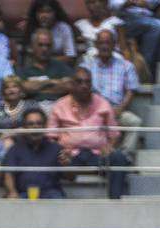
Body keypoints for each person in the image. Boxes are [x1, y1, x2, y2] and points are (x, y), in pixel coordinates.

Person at [48, 66, 128, 199]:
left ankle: (115, 201)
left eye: (87, 82)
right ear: (72, 84)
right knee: (49, 159)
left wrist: (109, 146)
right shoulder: (59, 105)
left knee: (119, 158)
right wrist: (60, 153)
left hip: (97, 154)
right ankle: (55, 198)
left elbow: (114, 134)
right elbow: (50, 137)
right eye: (79, 82)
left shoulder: (103, 104)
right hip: (70, 155)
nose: (84, 86)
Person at [82, 28, 140, 154]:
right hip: (92, 111)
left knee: (135, 122)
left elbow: (131, 90)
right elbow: (80, 89)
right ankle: (90, 158)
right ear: (96, 45)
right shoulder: (87, 65)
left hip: (116, 110)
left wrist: (120, 109)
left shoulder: (126, 65)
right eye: (101, 43)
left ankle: (125, 156)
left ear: (114, 45)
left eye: (108, 43)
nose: (104, 46)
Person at [2, 106, 65, 197]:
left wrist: (66, 164)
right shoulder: (15, 149)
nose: (35, 127)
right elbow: (8, 174)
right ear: (24, 127)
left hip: (51, 193)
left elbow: (71, 177)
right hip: (23, 194)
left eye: (39, 123)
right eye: (30, 124)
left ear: (45, 126)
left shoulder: (56, 148)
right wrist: (12, 191)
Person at [110, 0, 160, 81]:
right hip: (126, 17)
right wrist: (134, 2)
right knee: (156, 27)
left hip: (148, 16)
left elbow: (158, 5)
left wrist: (156, 7)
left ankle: (157, 65)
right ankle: (147, 66)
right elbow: (114, 5)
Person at [19, 28, 71, 109]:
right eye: (40, 45)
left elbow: (69, 85)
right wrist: (53, 82)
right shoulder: (24, 70)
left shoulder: (61, 67)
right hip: (32, 111)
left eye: (48, 45)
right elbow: (25, 87)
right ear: (32, 47)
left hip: (58, 109)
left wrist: (37, 86)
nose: (44, 49)